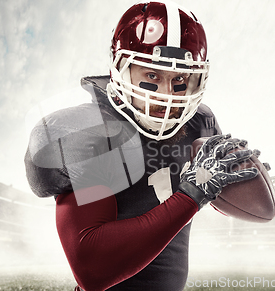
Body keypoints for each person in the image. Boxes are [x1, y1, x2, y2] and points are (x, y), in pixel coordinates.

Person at [25, 1, 261, 290]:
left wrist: (233, 174)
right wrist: (190, 196)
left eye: (179, 79)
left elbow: (223, 196)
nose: (165, 94)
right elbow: (92, 267)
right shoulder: (94, 132)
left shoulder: (200, 123)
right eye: (152, 75)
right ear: (120, 69)